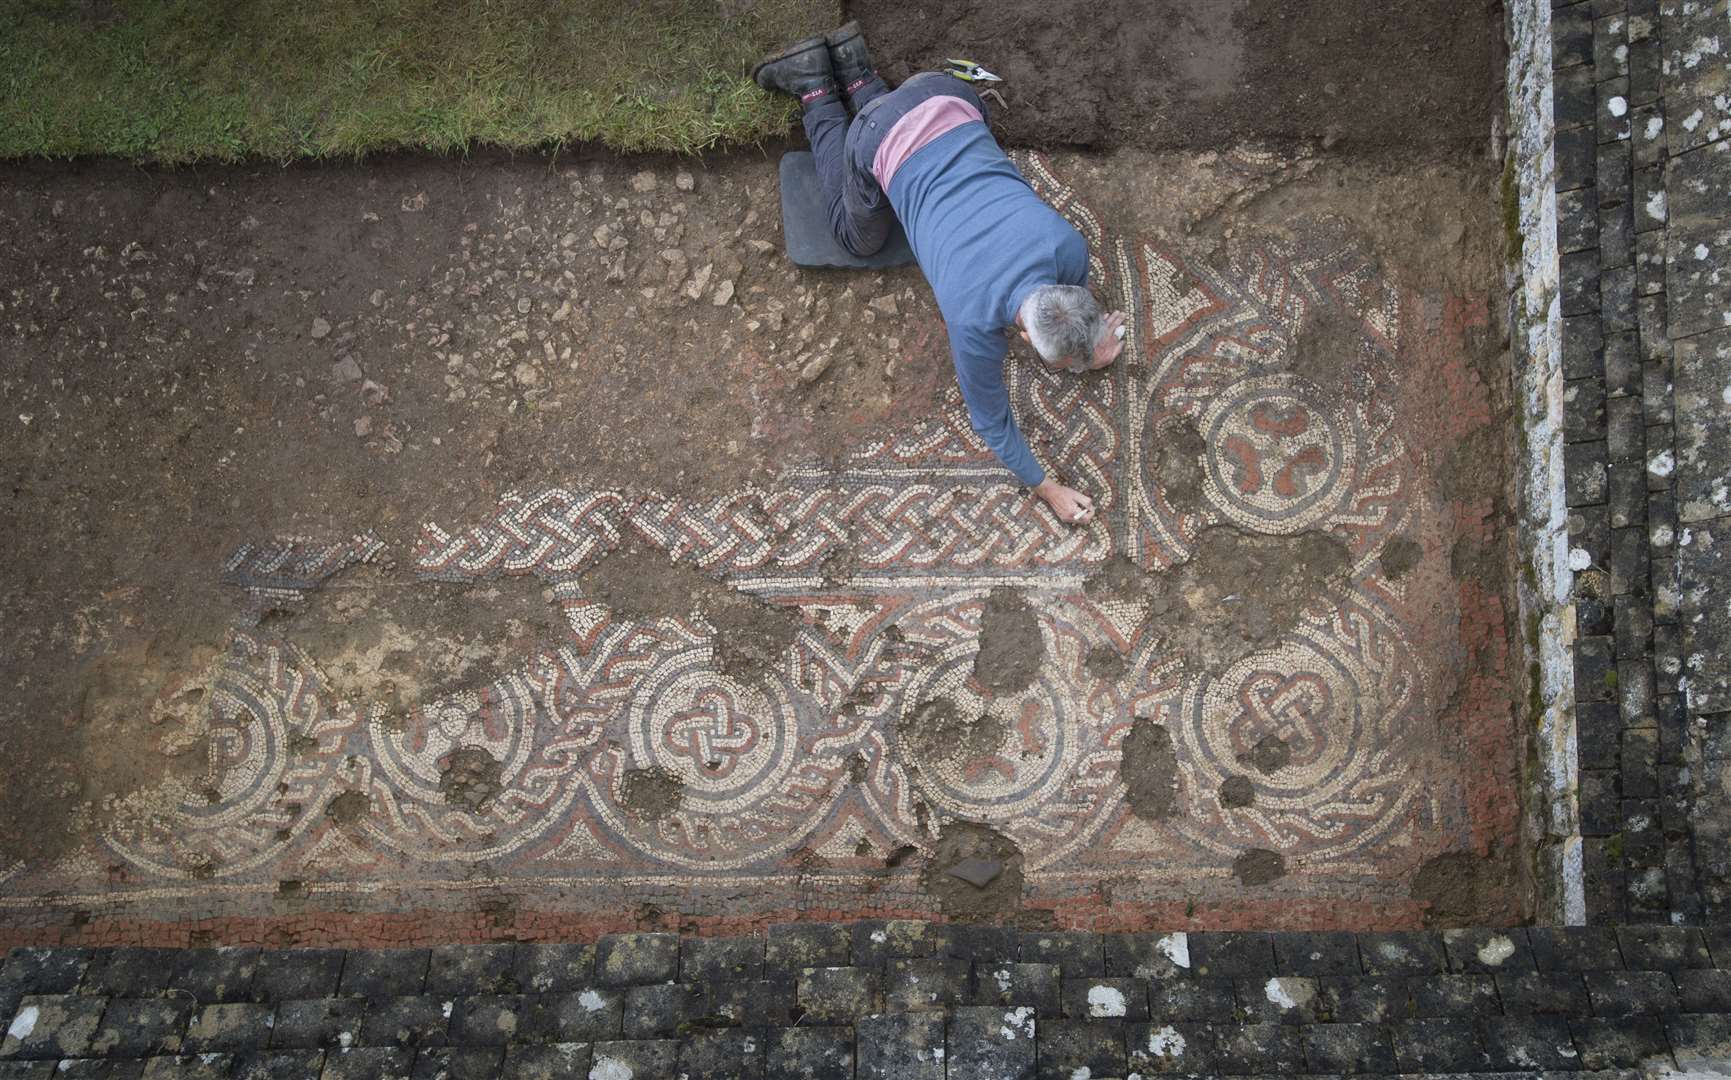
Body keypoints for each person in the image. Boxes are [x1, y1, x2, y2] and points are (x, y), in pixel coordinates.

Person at [754, 23, 1127, 527]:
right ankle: (813, 86)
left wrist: (1091, 344)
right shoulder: (972, 318)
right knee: (853, 234)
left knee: (906, 141)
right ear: (1020, 332)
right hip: (878, 134)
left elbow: (1078, 303)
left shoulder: (1065, 244)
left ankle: (855, 63)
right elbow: (990, 421)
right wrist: (1048, 489)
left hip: (945, 94)